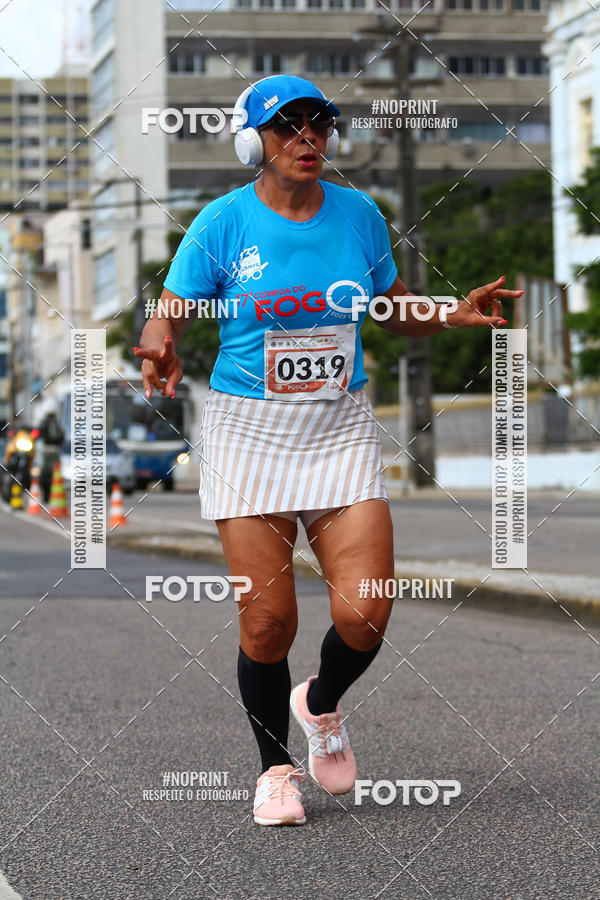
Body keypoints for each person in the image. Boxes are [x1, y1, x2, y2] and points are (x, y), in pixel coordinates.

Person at [134, 74, 523, 827]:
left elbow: (388, 308)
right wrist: (157, 348)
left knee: (366, 614)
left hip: (339, 426)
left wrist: (448, 311)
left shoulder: (359, 216)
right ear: (255, 141)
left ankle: (319, 703)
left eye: (319, 124)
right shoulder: (221, 224)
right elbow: (168, 315)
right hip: (248, 431)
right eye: (288, 126)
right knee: (267, 623)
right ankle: (275, 769)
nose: (308, 138)